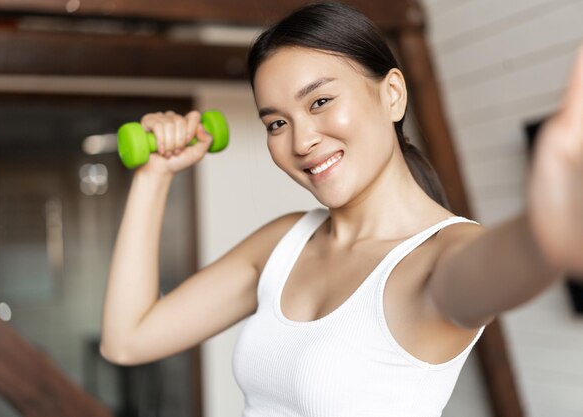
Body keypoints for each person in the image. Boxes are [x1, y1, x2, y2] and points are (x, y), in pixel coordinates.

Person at [101, 2, 583, 415]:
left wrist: (550, 232)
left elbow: (509, 261)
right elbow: (128, 339)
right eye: (275, 124)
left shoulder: (439, 258)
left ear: (392, 94)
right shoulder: (284, 242)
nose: (302, 140)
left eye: (321, 101)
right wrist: (154, 175)